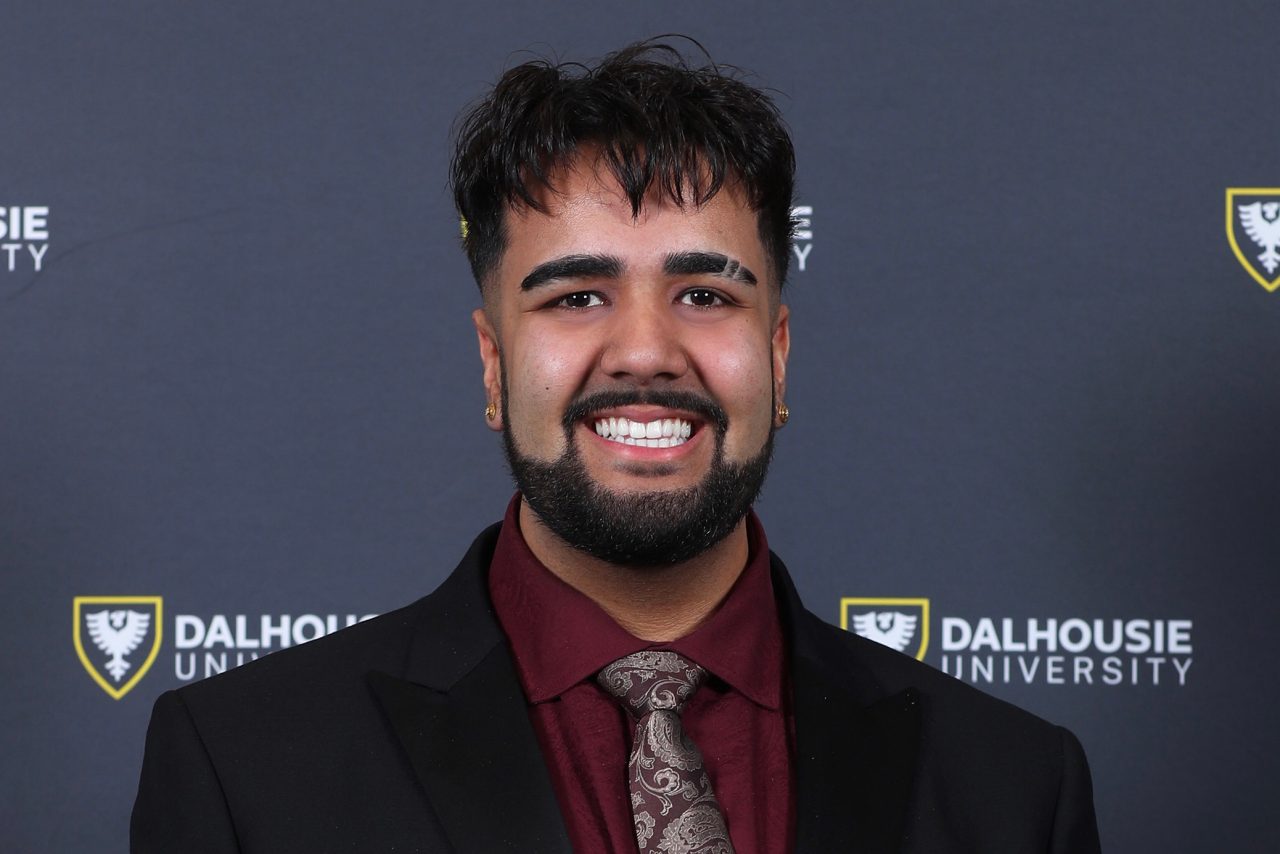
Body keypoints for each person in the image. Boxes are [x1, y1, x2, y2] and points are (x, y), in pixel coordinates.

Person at [131, 40, 1101, 853]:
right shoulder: (246, 768)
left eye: (705, 294)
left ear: (776, 351)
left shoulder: (1012, 785)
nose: (644, 349)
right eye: (575, 296)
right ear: (491, 363)